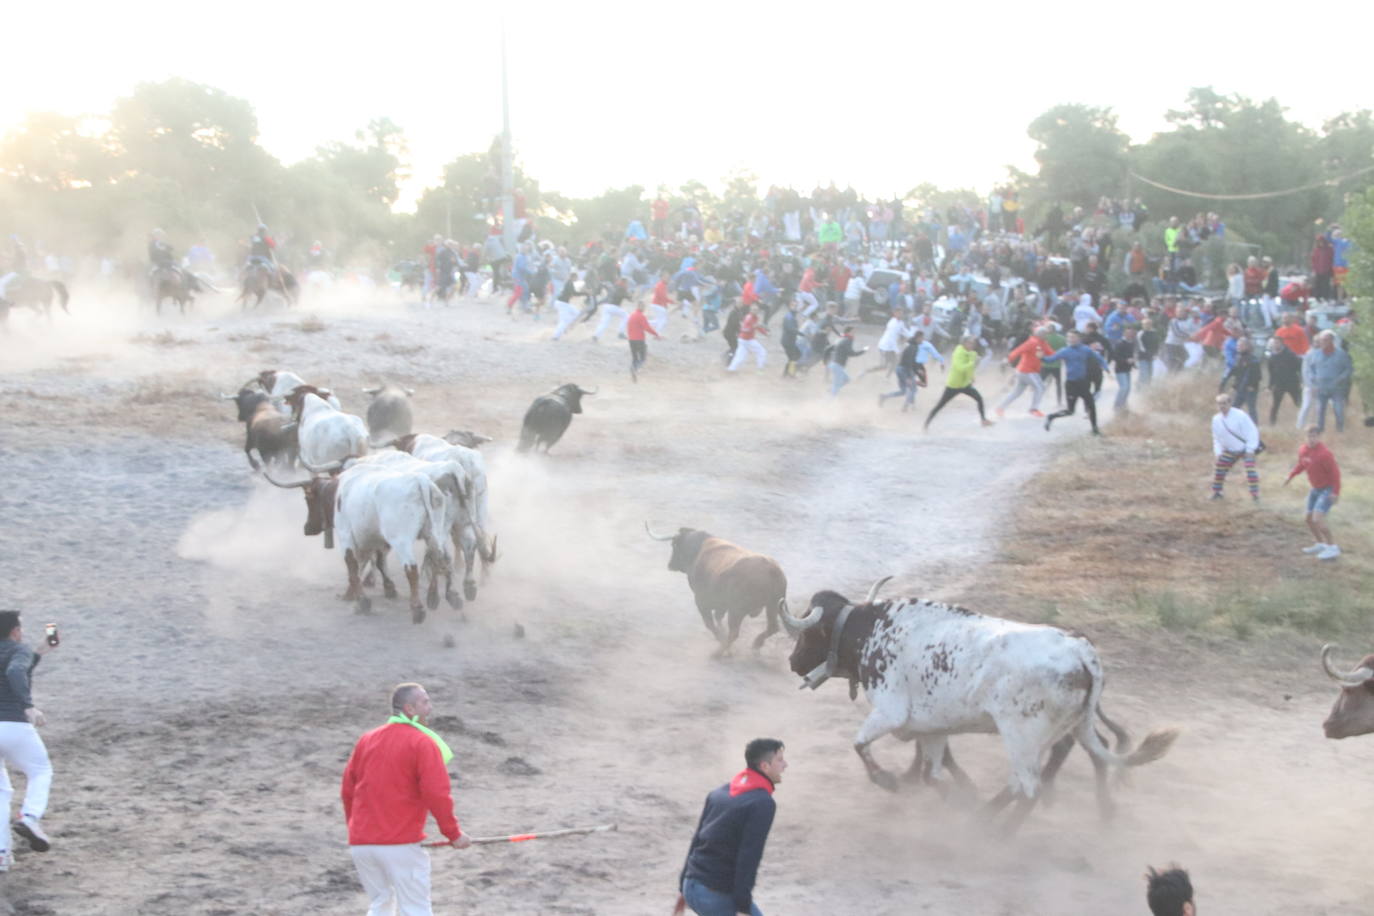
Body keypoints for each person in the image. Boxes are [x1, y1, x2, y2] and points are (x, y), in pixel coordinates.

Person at [341, 682, 470, 916]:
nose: (430, 708)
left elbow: (348, 790)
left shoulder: (367, 740)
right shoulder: (422, 742)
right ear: (409, 709)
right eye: (425, 702)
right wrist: (453, 834)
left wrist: (357, 830)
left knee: (381, 903)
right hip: (399, 845)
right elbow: (437, 794)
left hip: (362, 845)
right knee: (416, 909)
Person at [675, 739, 787, 916]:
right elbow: (749, 856)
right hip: (714, 893)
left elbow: (697, 840)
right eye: (780, 760)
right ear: (765, 766)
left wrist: (683, 887)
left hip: (692, 885)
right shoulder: (762, 803)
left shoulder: (719, 793)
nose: (785, 765)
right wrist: (743, 907)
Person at [0, 610, 57, 872]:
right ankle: (30, 817)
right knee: (40, 770)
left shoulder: (22, 652)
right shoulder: (17, 650)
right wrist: (28, 706)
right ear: (14, 631)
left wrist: (38, 653)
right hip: (12, 724)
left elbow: (17, 667)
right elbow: (14, 671)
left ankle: (2, 854)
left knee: (1, 792)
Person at [1284, 425, 1342, 561]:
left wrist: (1335, 492)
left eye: (1314, 436)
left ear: (1319, 437)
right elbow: (1301, 464)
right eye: (1309, 436)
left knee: (1317, 519)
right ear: (1306, 437)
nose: (1311, 439)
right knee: (1308, 519)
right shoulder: (1303, 450)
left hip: (1327, 489)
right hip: (1315, 489)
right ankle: (1320, 544)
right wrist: (1290, 476)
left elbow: (1335, 474)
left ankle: (1333, 547)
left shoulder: (1325, 454)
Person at [1042, 331, 1109, 436]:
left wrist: (1105, 367)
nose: (1070, 339)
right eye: (1069, 337)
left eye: (1073, 337)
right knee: (1070, 411)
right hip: (1071, 384)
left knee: (1091, 406)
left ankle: (1095, 429)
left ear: (1079, 338)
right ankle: (1051, 417)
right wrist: (1041, 357)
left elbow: (1099, 358)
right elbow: (1051, 359)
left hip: (1083, 383)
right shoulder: (1064, 351)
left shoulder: (1085, 349)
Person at [923, 335, 994, 430]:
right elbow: (960, 368)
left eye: (973, 343)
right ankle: (926, 424)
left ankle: (983, 420)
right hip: (953, 385)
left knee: (979, 398)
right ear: (964, 343)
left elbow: (970, 369)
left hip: (965, 385)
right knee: (940, 405)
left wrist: (972, 377)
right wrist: (972, 363)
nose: (972, 345)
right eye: (969, 343)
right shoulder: (958, 353)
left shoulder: (973, 353)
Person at [1210, 392, 1260, 502]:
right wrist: (1218, 453)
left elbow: (1252, 431)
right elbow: (1216, 438)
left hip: (1245, 448)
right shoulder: (1216, 419)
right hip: (1230, 450)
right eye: (1219, 404)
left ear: (1230, 403)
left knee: (1250, 470)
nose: (1221, 406)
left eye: (1224, 403)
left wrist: (1250, 449)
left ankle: (1255, 495)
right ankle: (1217, 492)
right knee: (1219, 468)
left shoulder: (1240, 415)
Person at [1303, 330, 1353, 433]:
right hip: (1321, 388)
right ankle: (1320, 432)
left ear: (1332, 341)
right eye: (1321, 340)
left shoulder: (1341, 354)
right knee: (1320, 411)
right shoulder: (1315, 354)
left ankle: (1340, 430)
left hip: (1337, 388)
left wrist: (1340, 379)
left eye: (1325, 340)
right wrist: (1313, 380)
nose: (1323, 342)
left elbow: (1348, 369)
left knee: (1338, 410)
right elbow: (1310, 369)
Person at [998, 327, 1054, 417]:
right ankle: (1033, 409)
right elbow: (1018, 351)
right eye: (1045, 334)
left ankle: (1000, 408)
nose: (1047, 335)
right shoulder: (1032, 342)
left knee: (1016, 392)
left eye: (1047, 334)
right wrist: (1008, 359)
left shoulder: (1043, 343)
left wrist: (1063, 356)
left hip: (1026, 371)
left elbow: (1052, 354)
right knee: (1041, 388)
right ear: (1039, 334)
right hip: (1027, 371)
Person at [1218, 335, 1264, 421]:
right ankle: (1230, 423)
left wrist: (1252, 386)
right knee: (1235, 408)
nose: (1238, 347)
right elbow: (1236, 374)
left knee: (1251, 409)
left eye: (1241, 345)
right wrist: (1233, 386)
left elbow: (1258, 375)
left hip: (1250, 389)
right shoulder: (1238, 358)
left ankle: (1255, 426)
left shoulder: (1253, 359)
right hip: (1240, 389)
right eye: (1238, 345)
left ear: (1247, 346)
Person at [727, 304, 769, 373]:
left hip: (744, 340)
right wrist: (753, 327)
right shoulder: (748, 317)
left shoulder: (755, 317)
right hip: (747, 340)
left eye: (757, 310)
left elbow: (757, 327)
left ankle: (731, 369)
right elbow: (744, 329)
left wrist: (765, 333)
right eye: (754, 310)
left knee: (740, 356)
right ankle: (760, 369)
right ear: (750, 310)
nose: (755, 311)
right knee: (762, 352)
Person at [627, 301, 661, 381]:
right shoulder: (641, 316)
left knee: (635, 358)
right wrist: (656, 334)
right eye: (644, 307)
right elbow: (647, 328)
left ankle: (633, 369)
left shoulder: (631, 315)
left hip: (631, 340)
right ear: (642, 307)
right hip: (639, 340)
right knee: (642, 358)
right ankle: (635, 370)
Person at [827, 326, 866, 396]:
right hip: (837, 365)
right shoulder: (848, 340)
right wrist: (863, 351)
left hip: (834, 364)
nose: (854, 333)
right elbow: (851, 353)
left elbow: (831, 349)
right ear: (848, 332)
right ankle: (826, 404)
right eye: (853, 332)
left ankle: (831, 390)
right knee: (836, 386)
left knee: (846, 380)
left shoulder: (842, 338)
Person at [1110, 326, 1139, 412]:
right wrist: (1126, 360)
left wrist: (1133, 364)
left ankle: (1123, 405)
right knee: (1124, 387)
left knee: (1128, 388)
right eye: (1128, 333)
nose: (1130, 335)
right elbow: (1115, 357)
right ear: (1124, 334)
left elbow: (1130, 355)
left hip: (1127, 369)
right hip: (1120, 369)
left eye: (1131, 334)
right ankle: (1117, 406)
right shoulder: (1120, 343)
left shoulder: (1131, 343)